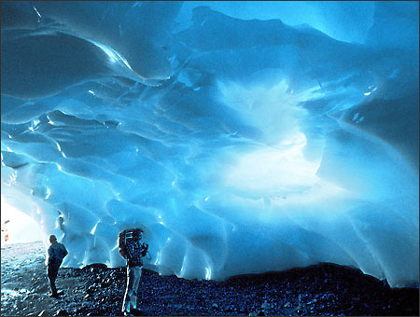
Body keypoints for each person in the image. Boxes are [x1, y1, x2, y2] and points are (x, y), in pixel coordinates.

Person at [118, 228, 149, 316]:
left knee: (135, 288)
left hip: (138, 266)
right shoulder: (129, 243)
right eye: (139, 235)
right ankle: (126, 309)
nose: (140, 237)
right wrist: (128, 230)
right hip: (133, 266)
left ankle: (133, 307)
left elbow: (141, 255)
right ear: (134, 235)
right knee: (130, 288)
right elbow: (132, 254)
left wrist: (144, 249)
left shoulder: (138, 244)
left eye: (141, 236)